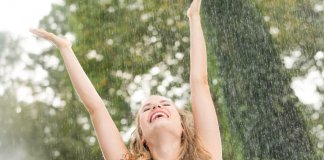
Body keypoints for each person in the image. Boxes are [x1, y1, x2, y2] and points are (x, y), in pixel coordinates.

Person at [30, 0, 222, 159]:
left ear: (183, 127)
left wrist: (194, 18)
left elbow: (200, 83)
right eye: (147, 109)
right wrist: (65, 49)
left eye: (164, 104)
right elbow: (96, 109)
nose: (156, 107)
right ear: (142, 136)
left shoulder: (206, 155)